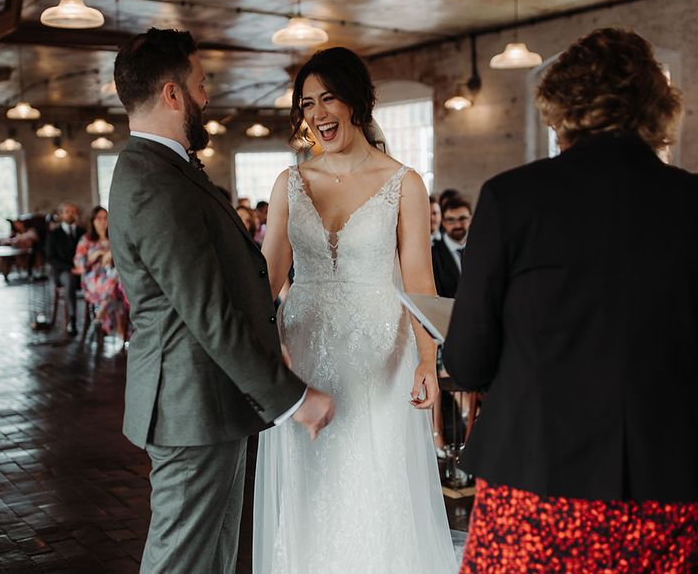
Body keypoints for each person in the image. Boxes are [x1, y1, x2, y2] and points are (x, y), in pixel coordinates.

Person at [443, 28, 698, 572]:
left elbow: (466, 361)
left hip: (536, 477)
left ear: (561, 106)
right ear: (656, 107)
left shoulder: (513, 198)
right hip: (664, 483)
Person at [108, 28, 334, 574]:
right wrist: (291, 398)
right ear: (172, 95)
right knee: (180, 561)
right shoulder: (152, 181)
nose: (206, 97)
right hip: (190, 406)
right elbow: (206, 309)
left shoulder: (167, 169)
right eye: (200, 84)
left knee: (212, 558)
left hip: (210, 403)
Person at [255, 47, 458, 573]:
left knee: (375, 482)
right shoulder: (289, 183)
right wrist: (257, 345)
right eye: (307, 103)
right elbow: (267, 278)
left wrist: (427, 359)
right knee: (311, 481)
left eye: (329, 98)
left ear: (358, 102)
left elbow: (419, 279)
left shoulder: (404, 183)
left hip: (380, 359)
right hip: (305, 353)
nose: (318, 114)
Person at [73, 206, 126, 339]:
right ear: (93, 221)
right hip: (93, 277)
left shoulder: (114, 237)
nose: (103, 222)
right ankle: (121, 331)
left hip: (114, 275)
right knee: (115, 284)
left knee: (117, 282)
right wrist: (95, 255)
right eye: (99, 218)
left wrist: (111, 255)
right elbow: (79, 263)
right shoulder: (86, 240)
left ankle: (102, 311)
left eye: (106, 218)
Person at [45, 202, 85, 335]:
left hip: (82, 270)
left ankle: (98, 317)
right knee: (69, 279)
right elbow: (50, 257)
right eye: (67, 211)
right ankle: (72, 320)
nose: (71, 214)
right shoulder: (54, 234)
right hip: (62, 272)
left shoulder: (82, 232)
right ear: (61, 215)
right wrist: (70, 268)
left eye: (73, 211)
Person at [431, 195, 471, 299]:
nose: (457, 225)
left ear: (470, 219)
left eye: (463, 219)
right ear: (443, 222)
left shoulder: (481, 251)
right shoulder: (432, 255)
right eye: (451, 220)